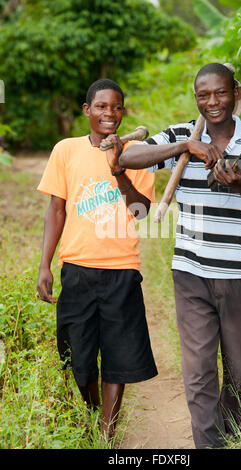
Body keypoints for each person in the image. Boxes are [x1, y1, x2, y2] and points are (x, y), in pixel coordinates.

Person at [119, 63, 241, 449]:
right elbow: (129, 156)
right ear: (196, 99)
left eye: (220, 93)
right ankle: (207, 444)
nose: (213, 102)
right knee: (199, 372)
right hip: (190, 272)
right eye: (204, 95)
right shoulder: (180, 134)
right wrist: (185, 147)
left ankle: (229, 437)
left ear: (234, 92)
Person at [36, 78, 158, 441]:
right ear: (87, 110)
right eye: (102, 107)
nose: (110, 113)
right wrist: (44, 265)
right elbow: (56, 209)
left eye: (117, 107)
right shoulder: (66, 150)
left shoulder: (138, 153)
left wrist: (118, 166)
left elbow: (140, 211)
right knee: (79, 357)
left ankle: (106, 434)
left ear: (124, 112)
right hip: (76, 268)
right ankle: (93, 416)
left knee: (119, 356)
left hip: (121, 269)